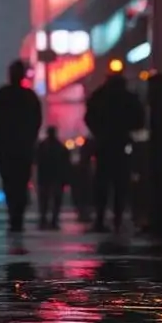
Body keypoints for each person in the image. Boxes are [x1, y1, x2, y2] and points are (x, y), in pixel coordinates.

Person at [83, 63, 146, 231]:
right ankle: (117, 218)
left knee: (102, 183)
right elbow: (139, 120)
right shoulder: (128, 98)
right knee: (120, 183)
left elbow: (89, 117)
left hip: (104, 145)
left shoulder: (100, 96)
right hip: (121, 144)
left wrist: (99, 132)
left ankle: (100, 218)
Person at [0, 60, 43, 234]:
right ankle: (17, 218)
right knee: (20, 184)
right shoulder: (30, 98)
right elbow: (36, 124)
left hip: (6, 148)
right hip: (22, 148)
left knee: (10, 184)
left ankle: (14, 217)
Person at [34, 125, 70, 230]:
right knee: (54, 200)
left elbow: (36, 160)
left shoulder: (42, 146)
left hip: (46, 177)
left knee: (45, 200)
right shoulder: (60, 147)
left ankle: (44, 220)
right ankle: (52, 220)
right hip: (55, 177)